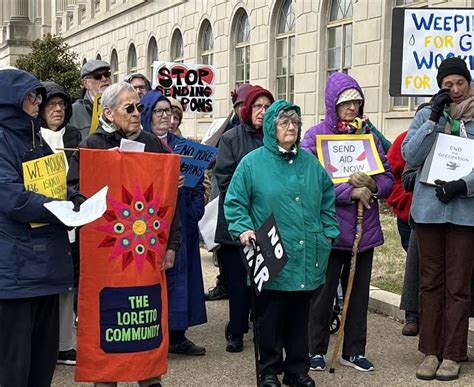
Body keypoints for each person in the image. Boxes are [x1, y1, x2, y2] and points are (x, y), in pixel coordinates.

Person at [68, 82, 180, 387]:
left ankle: (149, 378)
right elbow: (74, 189)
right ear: (108, 112)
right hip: (106, 255)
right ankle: (107, 380)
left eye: (138, 107)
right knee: (107, 324)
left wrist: (173, 244)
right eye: (128, 108)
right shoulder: (92, 145)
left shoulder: (153, 144)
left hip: (144, 254)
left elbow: (169, 201)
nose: (136, 114)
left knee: (146, 321)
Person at [224, 100, 339, 387]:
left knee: (300, 314)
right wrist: (244, 230)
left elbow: (327, 198)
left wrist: (328, 232)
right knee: (270, 315)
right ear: (272, 128)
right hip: (271, 251)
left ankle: (297, 369)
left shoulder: (310, 163)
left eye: (295, 122)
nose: (291, 127)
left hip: (305, 252)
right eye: (284, 122)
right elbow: (235, 203)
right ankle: (269, 369)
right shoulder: (252, 163)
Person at [302, 72, 393, 373]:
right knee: (322, 295)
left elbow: (388, 177)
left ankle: (354, 351)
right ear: (332, 105)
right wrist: (348, 191)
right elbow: (310, 182)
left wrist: (373, 184)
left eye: (356, 102)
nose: (352, 108)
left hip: (362, 230)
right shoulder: (314, 137)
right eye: (345, 103)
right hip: (329, 230)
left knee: (357, 293)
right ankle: (314, 349)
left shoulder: (368, 136)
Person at [0, 68, 85, 387]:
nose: (38, 103)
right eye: (30, 97)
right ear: (10, 101)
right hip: (16, 273)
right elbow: (11, 197)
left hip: (47, 269)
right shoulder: (4, 139)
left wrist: (77, 199)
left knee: (42, 365)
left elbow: (56, 184)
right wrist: (60, 208)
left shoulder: (37, 138)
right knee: (13, 368)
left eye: (38, 96)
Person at [402, 57, 474, 381]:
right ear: (440, 88)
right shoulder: (424, 116)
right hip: (429, 211)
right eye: (448, 85)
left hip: (464, 212)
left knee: (457, 286)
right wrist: (432, 119)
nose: (455, 90)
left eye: (460, 83)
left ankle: (454, 353)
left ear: (469, 84)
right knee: (429, 283)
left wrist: (464, 185)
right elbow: (410, 155)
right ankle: (430, 351)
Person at [141, 90, 207, 356]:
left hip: (182, 222)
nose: (165, 116)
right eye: (159, 111)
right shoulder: (140, 146)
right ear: (148, 115)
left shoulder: (184, 147)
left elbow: (198, 184)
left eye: (169, 111)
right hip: (151, 225)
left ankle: (178, 335)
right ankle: (154, 332)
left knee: (183, 280)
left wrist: (194, 210)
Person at [214, 85, 275, 352]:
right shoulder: (230, 138)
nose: (263, 111)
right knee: (238, 283)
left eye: (267, 107)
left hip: (267, 222)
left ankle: (263, 330)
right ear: (248, 110)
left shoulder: (274, 139)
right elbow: (224, 178)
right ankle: (236, 331)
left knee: (265, 280)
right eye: (258, 106)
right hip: (235, 223)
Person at [39, 81, 82, 366]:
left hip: (72, 220)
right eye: (51, 105)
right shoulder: (30, 136)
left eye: (62, 105)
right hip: (41, 220)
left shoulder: (75, 136)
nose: (58, 109)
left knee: (68, 283)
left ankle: (65, 344)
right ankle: (43, 343)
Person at [206, 83, 253, 302]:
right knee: (233, 268)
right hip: (231, 209)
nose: (243, 109)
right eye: (239, 105)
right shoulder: (227, 132)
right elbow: (222, 174)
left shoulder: (266, 134)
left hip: (258, 215)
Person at [386, 130, 419, 336]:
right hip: (409, 215)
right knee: (414, 264)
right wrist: (404, 201)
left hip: (441, 213)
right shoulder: (404, 140)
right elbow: (390, 176)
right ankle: (413, 315)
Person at [70, 59, 112, 138]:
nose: (104, 79)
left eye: (107, 74)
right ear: (85, 83)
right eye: (97, 76)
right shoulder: (74, 111)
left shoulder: (120, 106)